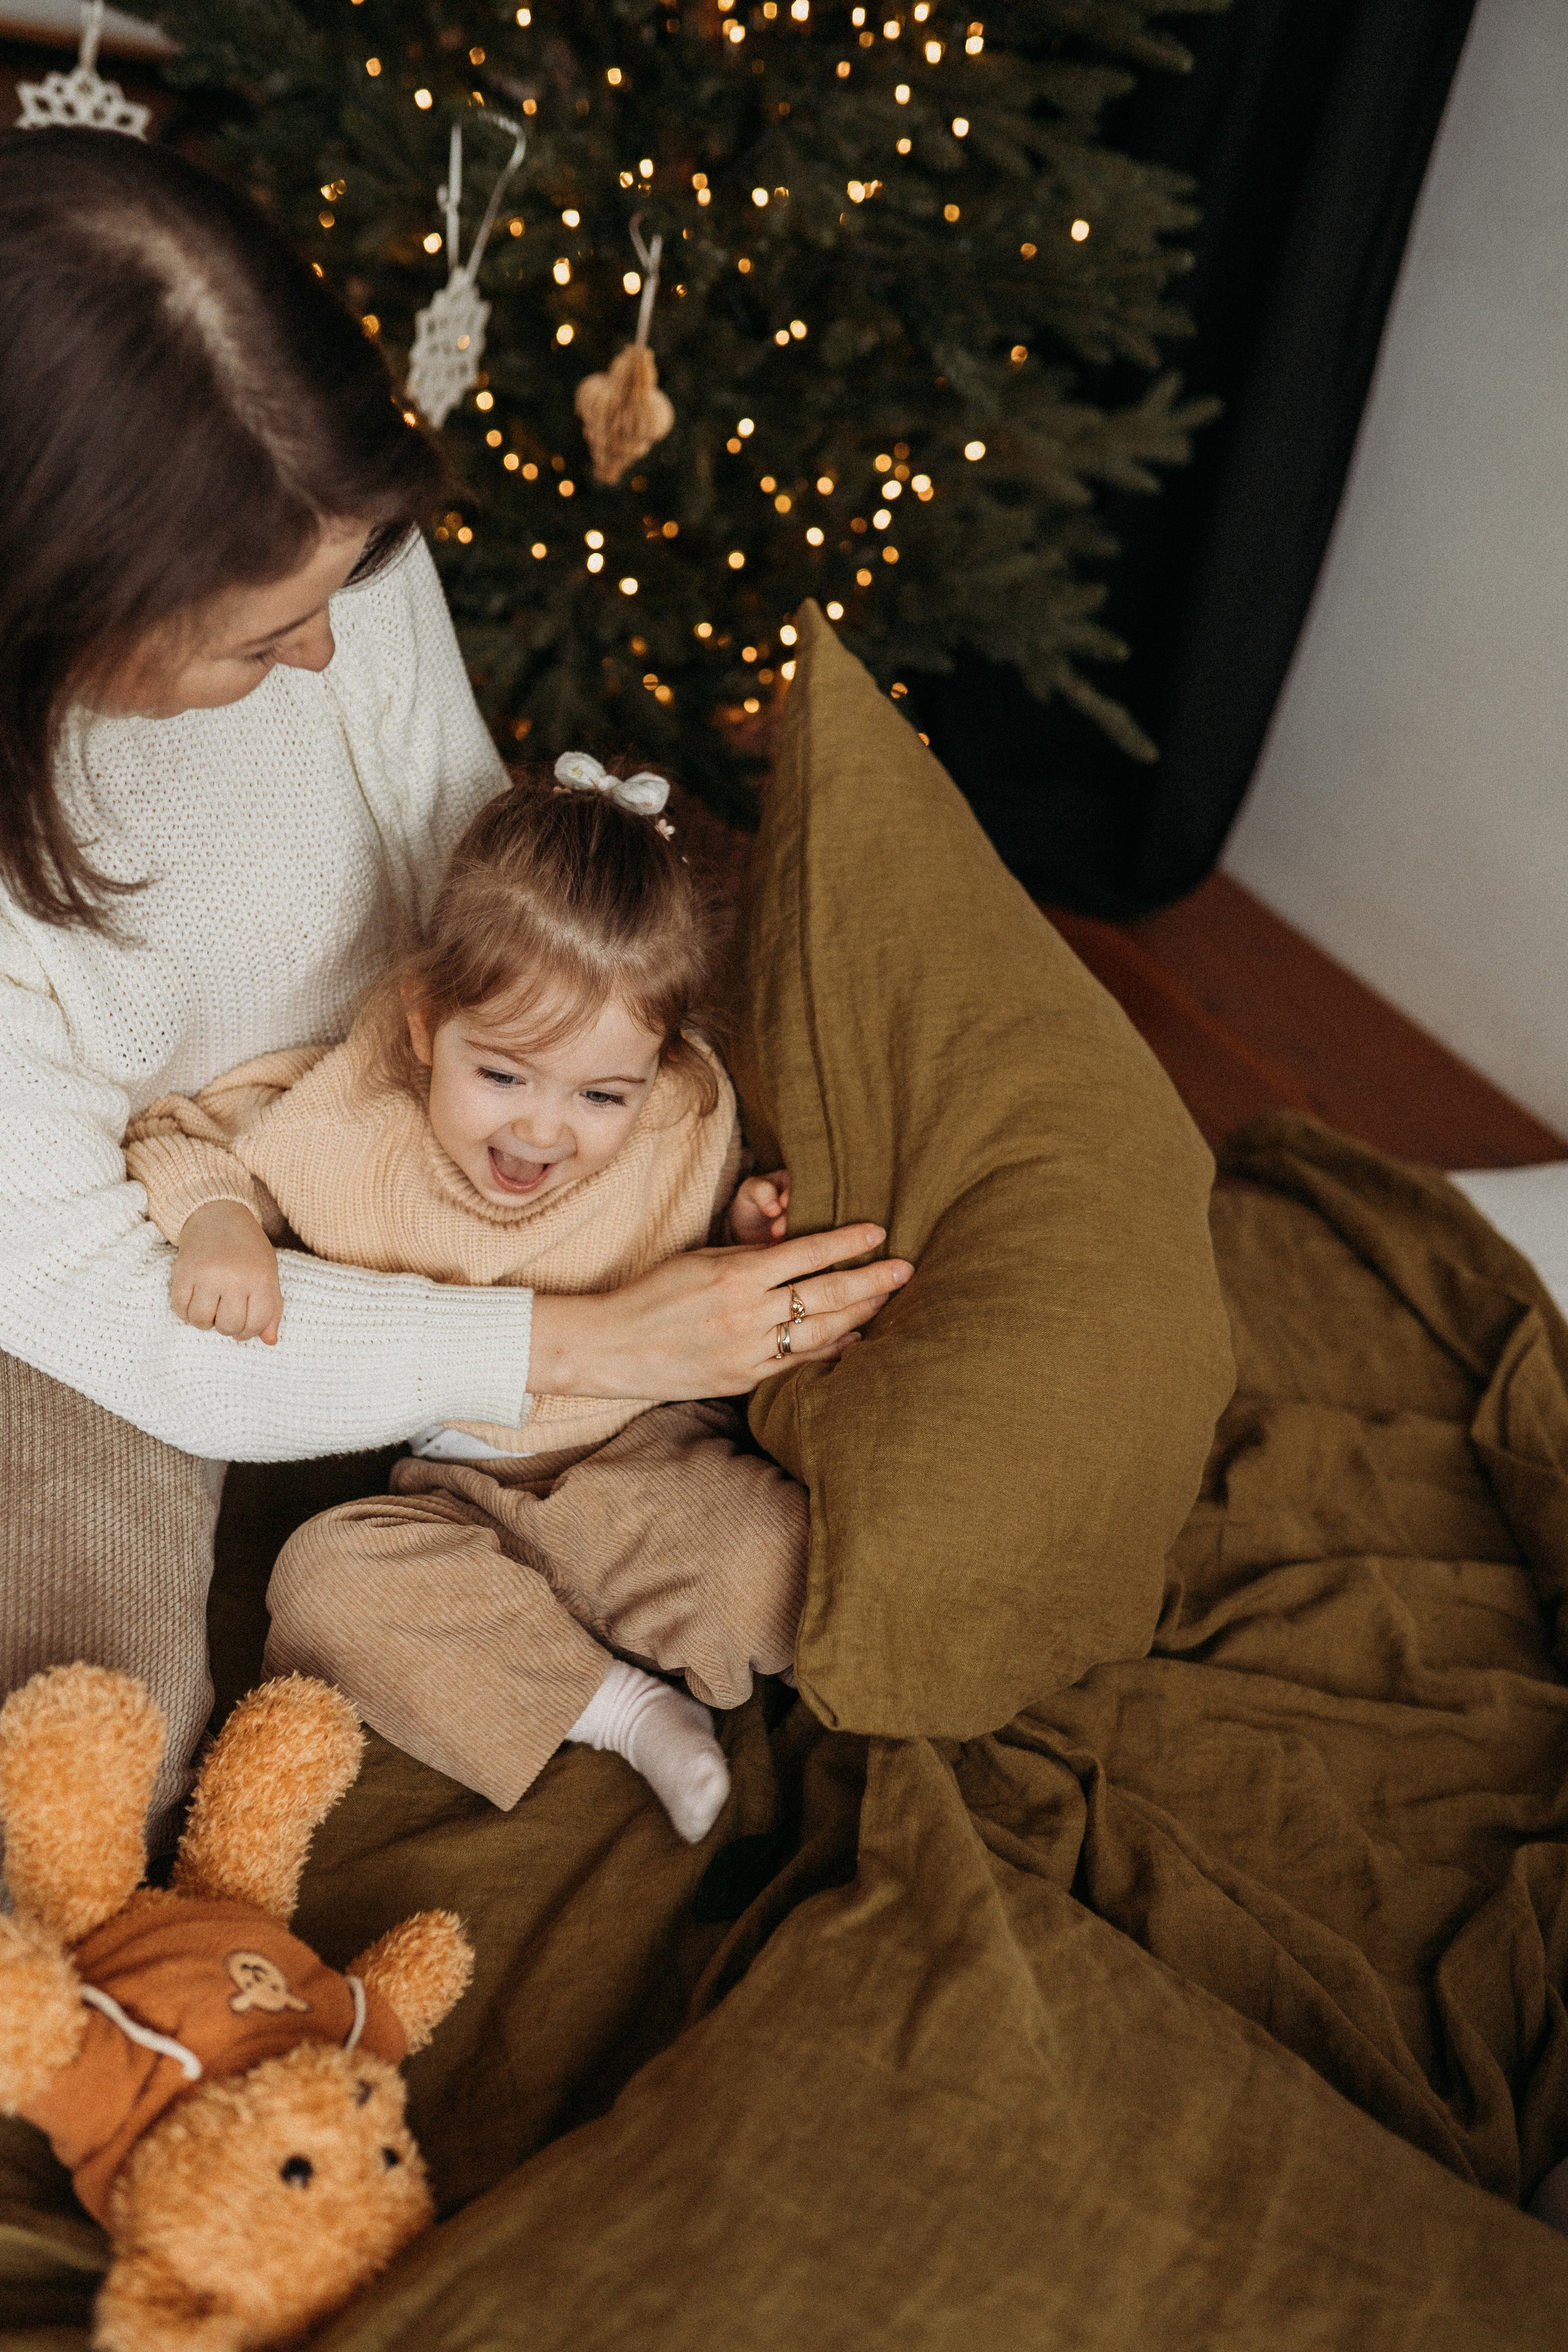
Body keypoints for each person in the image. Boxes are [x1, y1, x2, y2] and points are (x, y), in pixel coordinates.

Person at [0, 127, 909, 1831]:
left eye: (346, 586)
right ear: (57, 608)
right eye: (258, 638)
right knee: (88, 1751)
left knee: (783, 1512)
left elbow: (470, 876)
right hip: (157, 1242)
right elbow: (126, 1317)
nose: (324, 650)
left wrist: (632, 1227)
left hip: (419, 1109)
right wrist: (581, 1333)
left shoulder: (339, 562)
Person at [124, 758, 813, 1841]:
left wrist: (744, 1226)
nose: (542, 1130)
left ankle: (663, 1650)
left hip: (645, 1461)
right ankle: (625, 1710)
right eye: (501, 1076)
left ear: (660, 1066)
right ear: (423, 1023)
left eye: (600, 1095)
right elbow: (180, 1132)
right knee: (323, 1587)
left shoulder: (683, 1109)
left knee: (772, 1555)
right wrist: (219, 1217)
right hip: (452, 1495)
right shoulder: (354, 1117)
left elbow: (703, 1243)